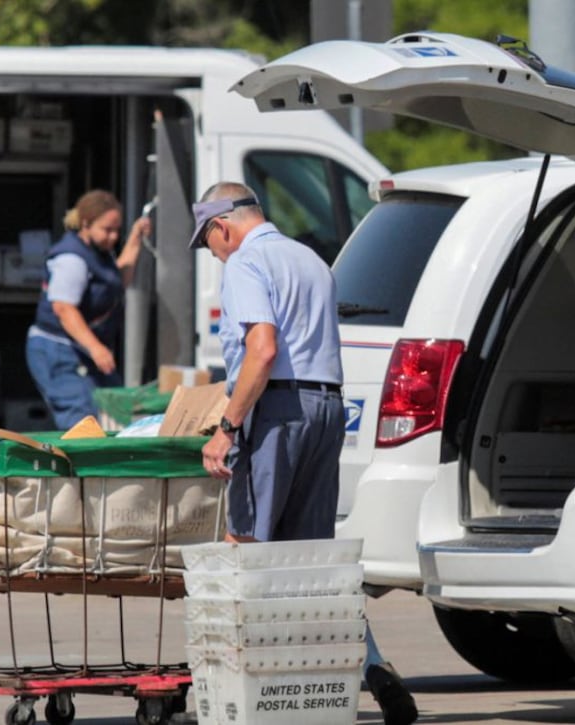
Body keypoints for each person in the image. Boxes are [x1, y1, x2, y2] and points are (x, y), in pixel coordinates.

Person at [192, 181, 418, 725]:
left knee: (247, 550)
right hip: (326, 409)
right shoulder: (312, 260)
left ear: (223, 226)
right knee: (312, 563)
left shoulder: (246, 263)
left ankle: (244, 694)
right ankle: (372, 667)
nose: (214, 253)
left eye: (209, 243)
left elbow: (262, 349)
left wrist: (227, 426)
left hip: (277, 411)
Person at [26, 189, 150, 430]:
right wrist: (96, 349)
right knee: (83, 419)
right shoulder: (71, 258)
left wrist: (135, 238)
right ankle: (80, 467)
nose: (113, 236)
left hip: (83, 351)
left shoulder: (100, 253)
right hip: (59, 351)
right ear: (85, 223)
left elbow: (117, 279)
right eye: (107, 230)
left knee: (117, 407)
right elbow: (63, 308)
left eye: (117, 230)